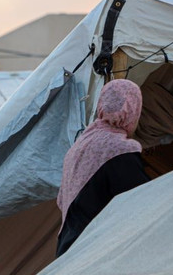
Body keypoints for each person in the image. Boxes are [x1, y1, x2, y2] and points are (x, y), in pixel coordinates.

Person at [56, 79, 150, 257]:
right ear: (132, 109)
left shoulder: (82, 143)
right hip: (92, 250)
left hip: (68, 248)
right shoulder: (118, 149)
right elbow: (142, 201)